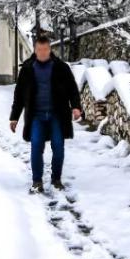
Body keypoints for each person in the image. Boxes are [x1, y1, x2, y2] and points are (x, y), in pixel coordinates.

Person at [9, 33, 83, 193]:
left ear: (50, 50)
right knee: (36, 146)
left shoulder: (61, 67)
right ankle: (37, 181)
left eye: (45, 49)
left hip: (57, 115)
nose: (42, 53)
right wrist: (14, 117)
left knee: (58, 147)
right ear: (35, 50)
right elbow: (19, 94)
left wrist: (76, 107)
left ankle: (56, 179)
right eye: (39, 50)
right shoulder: (28, 69)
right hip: (36, 116)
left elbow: (72, 89)